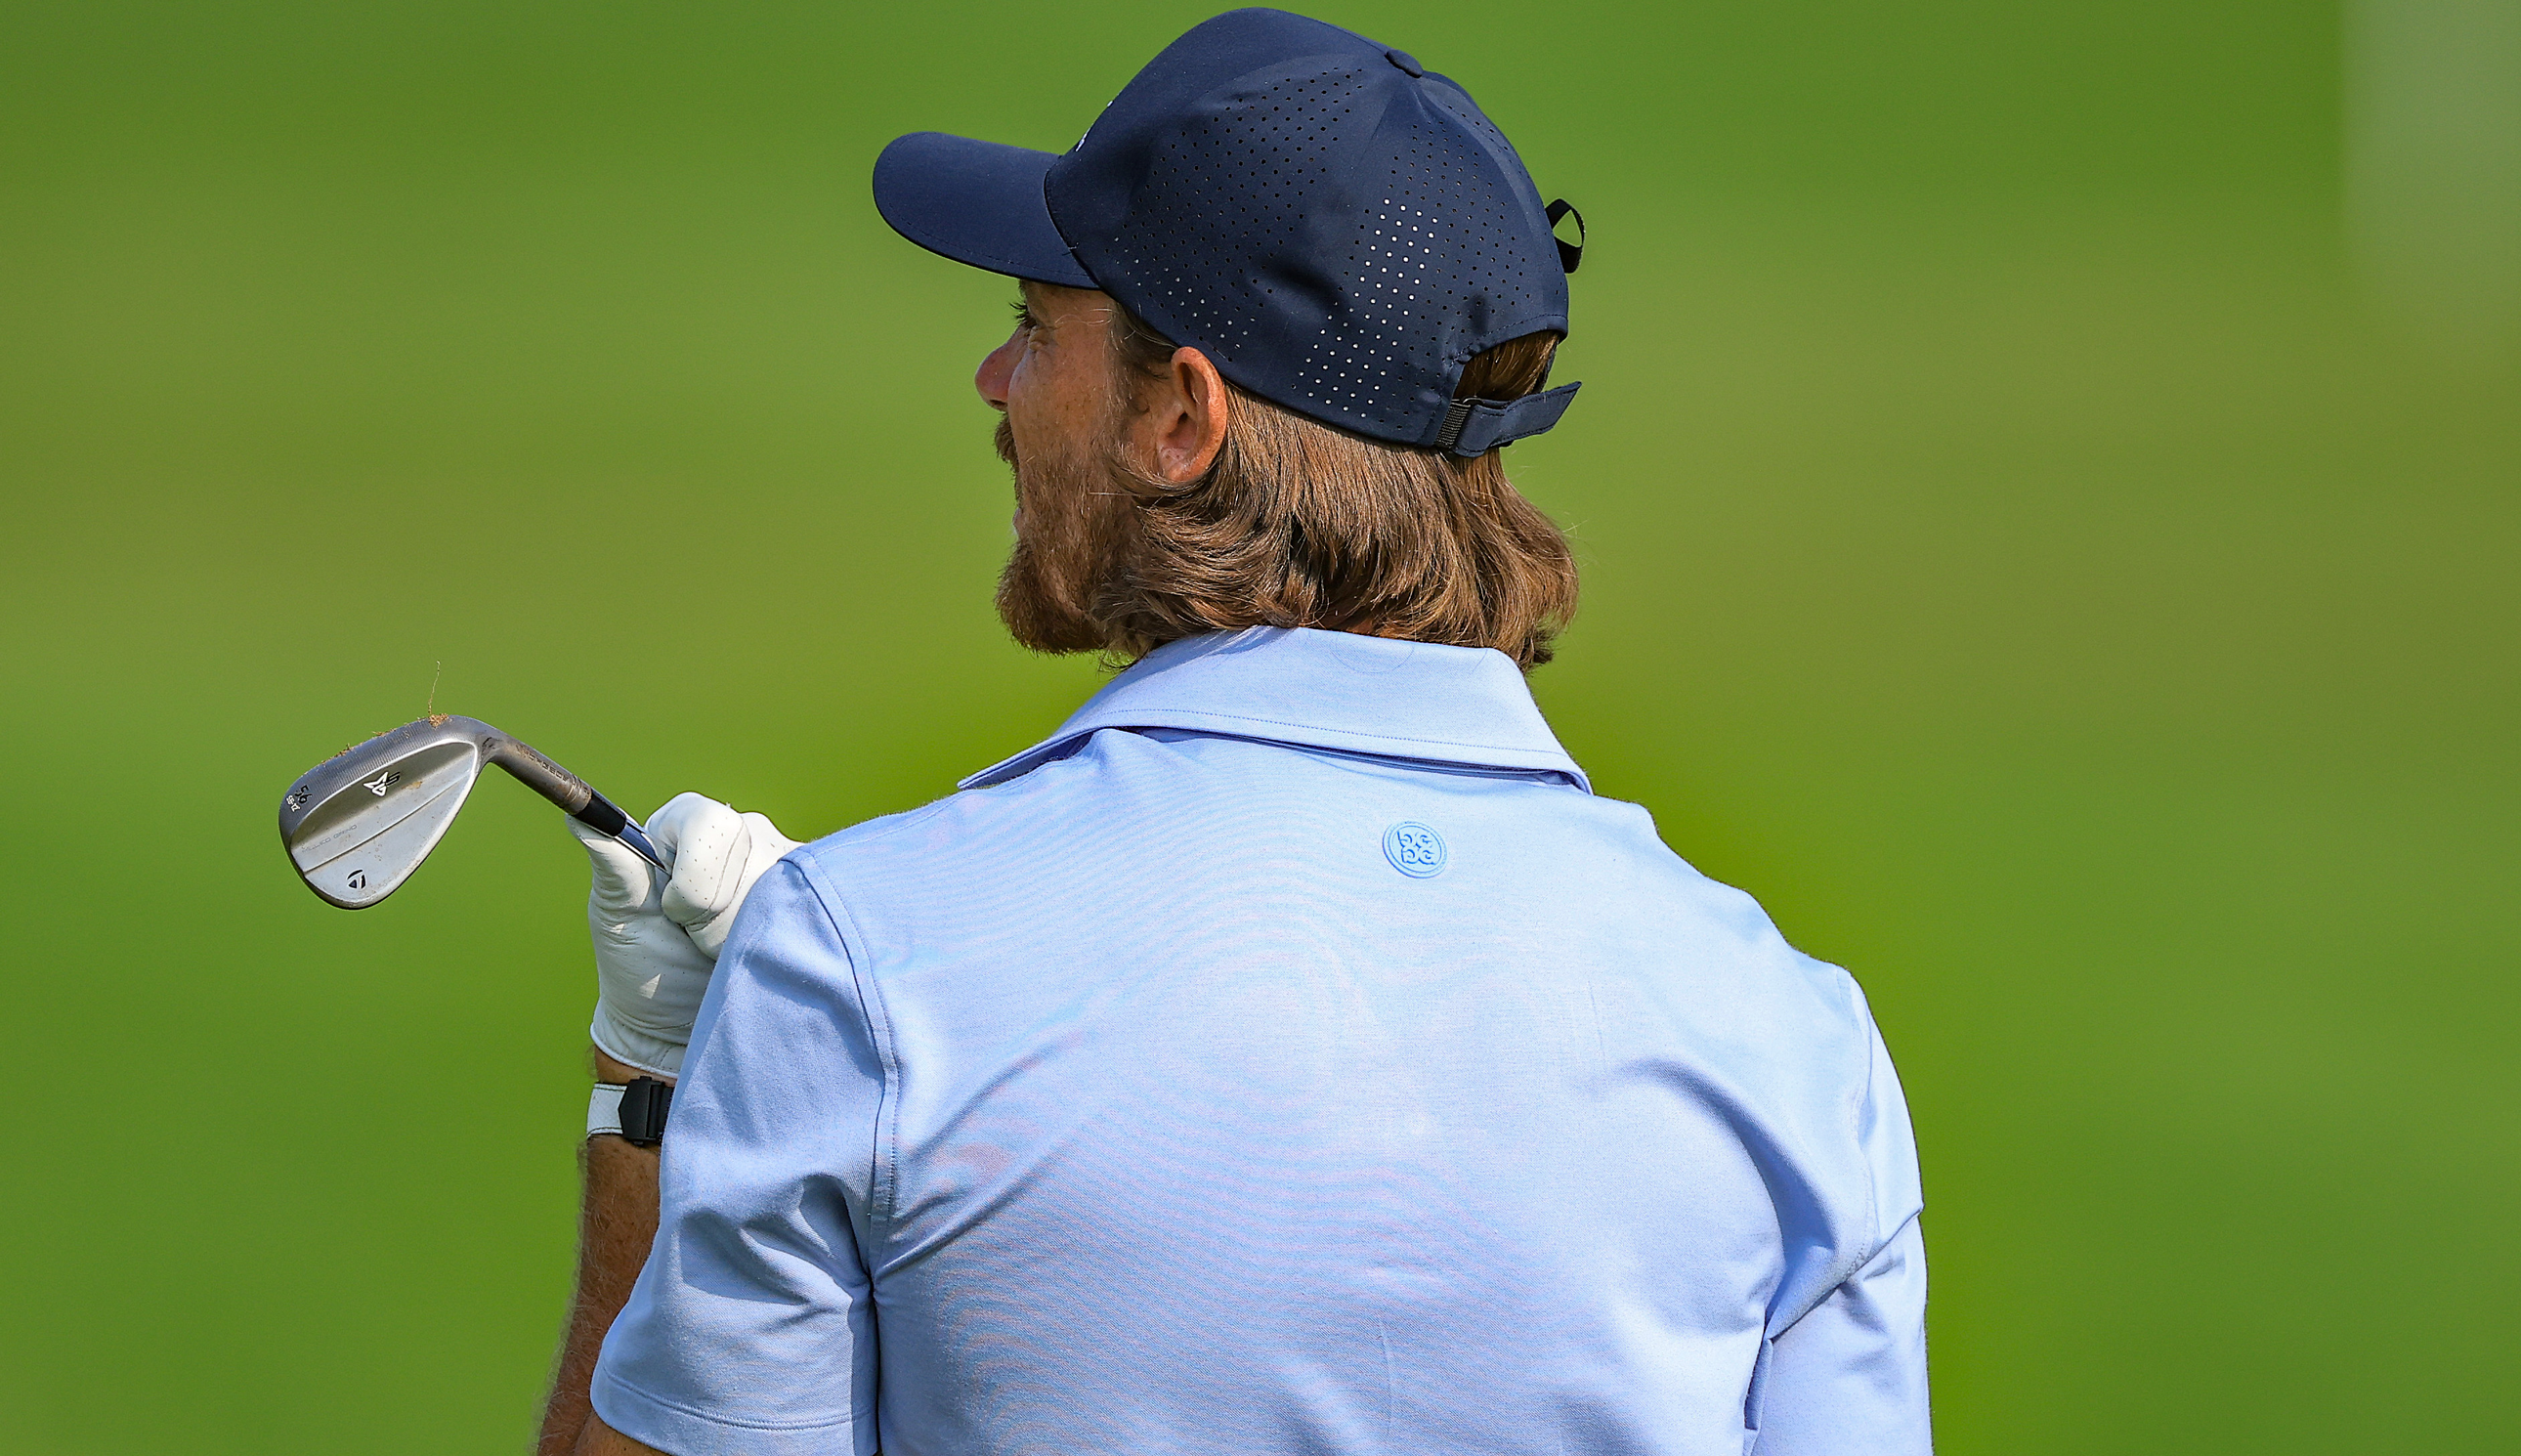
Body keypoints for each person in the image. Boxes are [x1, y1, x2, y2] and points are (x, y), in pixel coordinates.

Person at [535, 10, 1930, 1455]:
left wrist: (655, 1088)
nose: (998, 384)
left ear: (1183, 420)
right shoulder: (1794, 1042)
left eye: (1038, 329)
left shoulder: (858, 966)